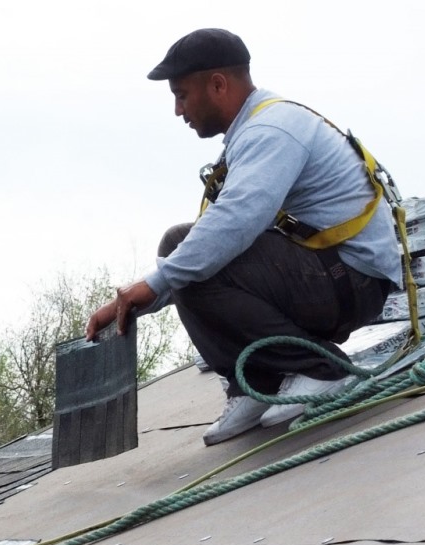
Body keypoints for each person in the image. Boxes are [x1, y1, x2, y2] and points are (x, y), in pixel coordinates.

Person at [85, 28, 402, 445]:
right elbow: (214, 237)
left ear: (218, 84)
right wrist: (143, 299)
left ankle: (324, 370)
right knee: (179, 246)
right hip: (331, 275)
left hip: (354, 282)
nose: (179, 111)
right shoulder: (254, 129)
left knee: (193, 259)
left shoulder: (270, 131)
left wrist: (153, 284)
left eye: (182, 95)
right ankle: (257, 382)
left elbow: (233, 225)